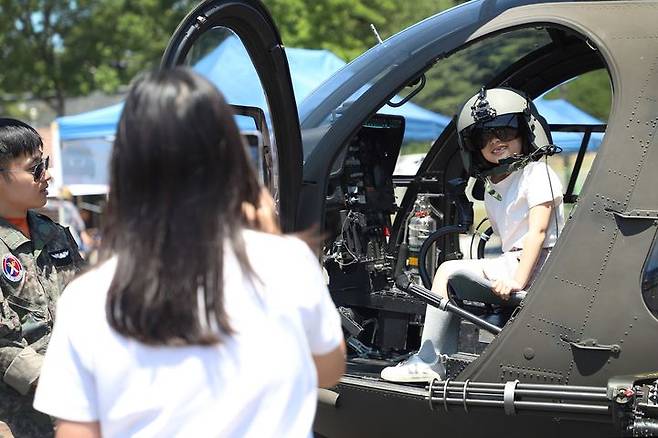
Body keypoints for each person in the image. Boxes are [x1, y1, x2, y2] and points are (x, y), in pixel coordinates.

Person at [33, 67, 345, 438]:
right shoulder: (289, 263)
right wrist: (272, 239)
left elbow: (77, 431)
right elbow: (328, 369)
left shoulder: (87, 297)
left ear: (126, 169)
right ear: (230, 158)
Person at [381, 87, 565, 383]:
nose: (495, 141)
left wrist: (517, 281)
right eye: (484, 137)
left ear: (525, 133)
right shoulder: (496, 185)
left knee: (448, 271)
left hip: (539, 265)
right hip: (514, 261)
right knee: (451, 276)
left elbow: (538, 234)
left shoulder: (537, 174)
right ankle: (438, 355)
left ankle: (430, 359)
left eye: (505, 132)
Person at [0, 118, 85, 437]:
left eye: (44, 164)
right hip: (18, 421)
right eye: (35, 169)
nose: (46, 175)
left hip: (75, 408)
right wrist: (56, 380)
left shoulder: (56, 235)